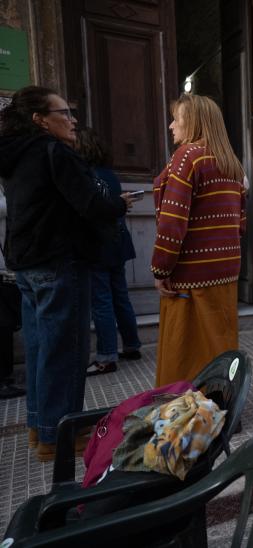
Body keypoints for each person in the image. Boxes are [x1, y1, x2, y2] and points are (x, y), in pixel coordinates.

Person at [0, 86, 131, 461]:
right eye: (65, 113)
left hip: (27, 262)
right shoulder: (54, 151)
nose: (73, 120)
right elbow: (90, 204)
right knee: (66, 350)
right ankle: (61, 434)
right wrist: (117, 204)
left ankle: (40, 427)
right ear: (41, 119)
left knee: (42, 347)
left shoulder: (17, 154)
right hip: (59, 260)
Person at [151, 93, 245, 386]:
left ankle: (185, 410)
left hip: (191, 273)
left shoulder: (187, 157)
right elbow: (240, 223)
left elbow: (172, 222)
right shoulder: (231, 164)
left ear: (192, 122)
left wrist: (161, 268)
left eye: (176, 119)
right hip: (225, 271)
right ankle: (223, 405)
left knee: (183, 351)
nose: (170, 125)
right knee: (221, 342)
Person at [74, 127, 142, 376]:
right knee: (120, 295)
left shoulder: (86, 177)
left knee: (102, 301)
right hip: (117, 243)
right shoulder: (109, 175)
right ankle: (132, 345)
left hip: (99, 245)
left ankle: (106, 357)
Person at [0, 184, 24, 399]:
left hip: (7, 267)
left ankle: (5, 376)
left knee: (6, 324)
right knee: (3, 324)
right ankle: (3, 379)